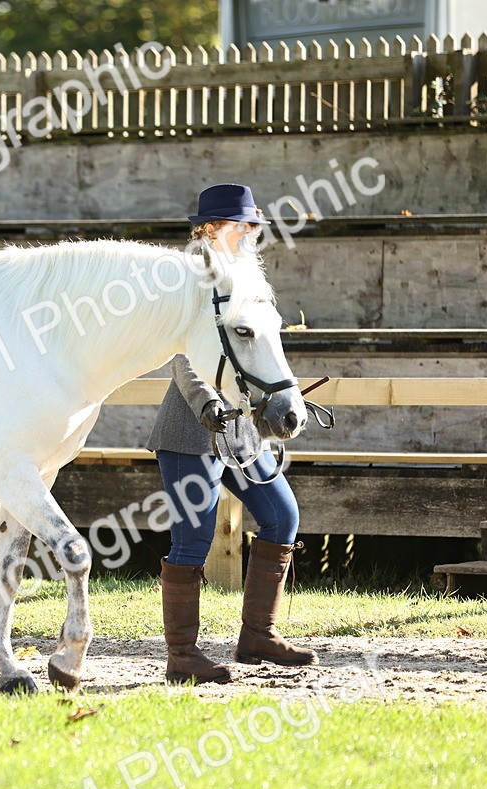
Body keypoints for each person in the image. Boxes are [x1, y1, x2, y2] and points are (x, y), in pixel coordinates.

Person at [145, 184, 317, 685]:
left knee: (282, 516)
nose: (250, 233)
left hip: (244, 429)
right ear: (209, 228)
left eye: (251, 226)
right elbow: (184, 359)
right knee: (193, 537)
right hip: (192, 429)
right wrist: (209, 406)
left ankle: (258, 634)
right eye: (241, 225)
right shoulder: (191, 278)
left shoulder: (247, 276)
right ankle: (182, 655)